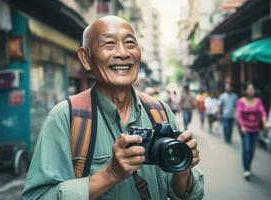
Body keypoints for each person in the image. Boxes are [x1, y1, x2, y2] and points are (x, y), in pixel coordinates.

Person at [22, 16, 204, 200]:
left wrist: (183, 168)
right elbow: (37, 197)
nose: (123, 53)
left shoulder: (159, 112)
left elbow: (187, 195)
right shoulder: (66, 118)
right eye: (109, 44)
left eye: (130, 43)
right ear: (86, 58)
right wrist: (111, 174)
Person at [236, 82, 267, 180]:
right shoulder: (241, 101)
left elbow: (263, 113)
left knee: (252, 150)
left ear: (254, 91)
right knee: (247, 149)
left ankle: (248, 165)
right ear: (245, 91)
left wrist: (265, 122)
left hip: (256, 129)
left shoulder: (258, 101)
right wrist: (242, 126)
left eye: (252, 89)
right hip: (246, 130)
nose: (250, 91)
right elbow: (239, 115)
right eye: (249, 89)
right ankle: (246, 169)